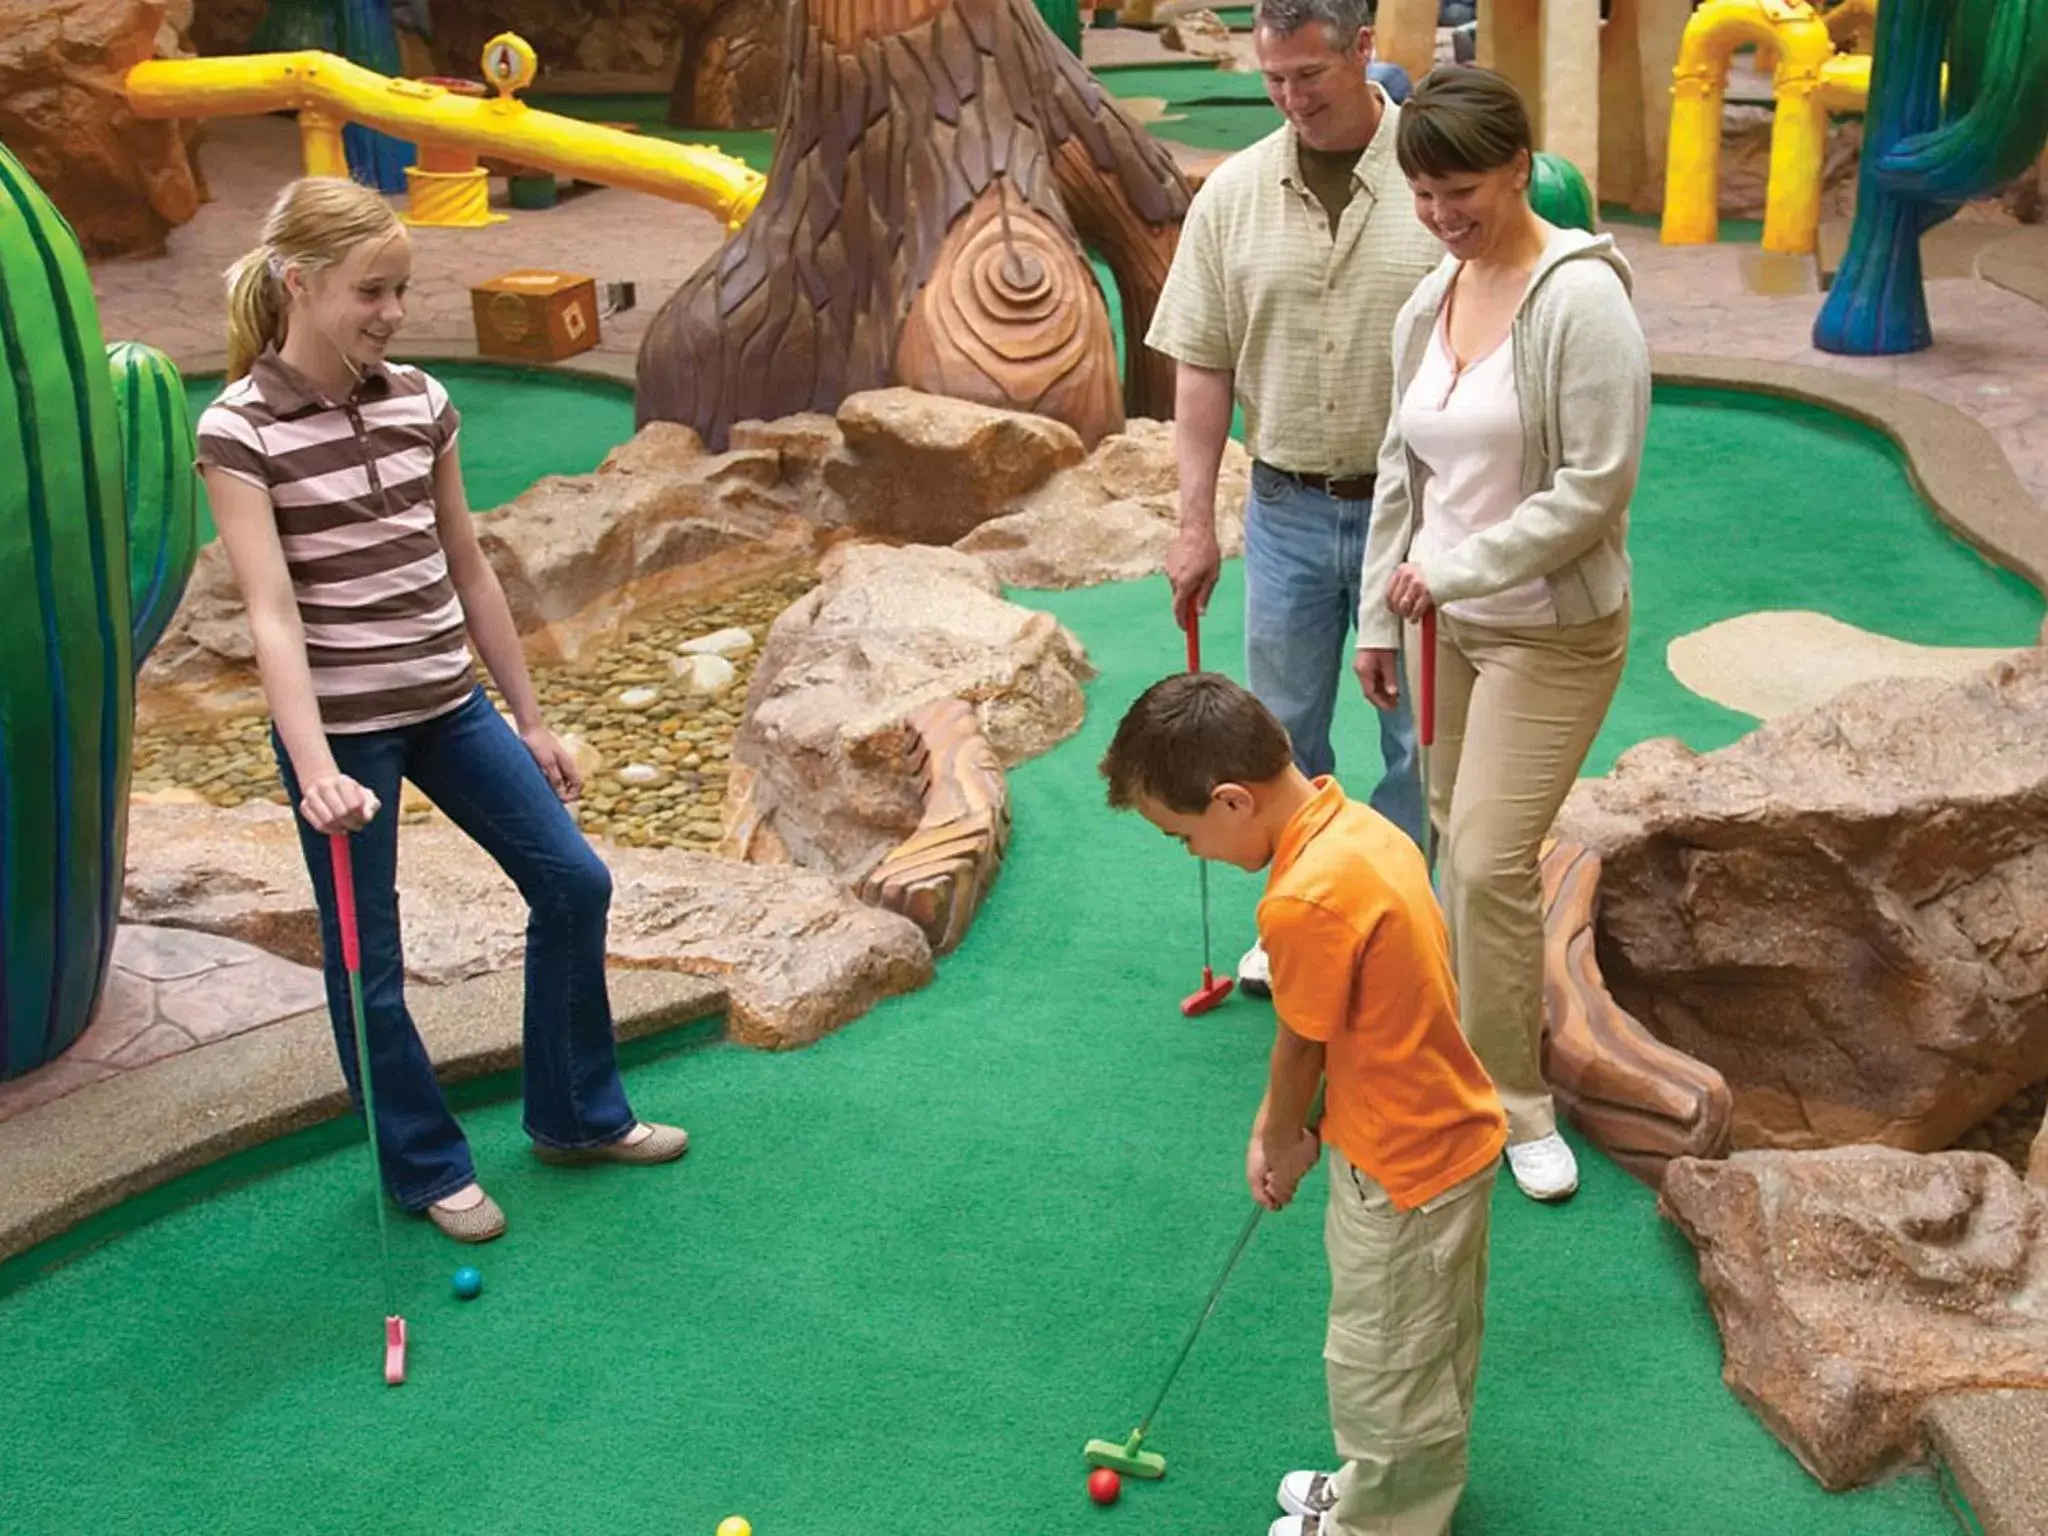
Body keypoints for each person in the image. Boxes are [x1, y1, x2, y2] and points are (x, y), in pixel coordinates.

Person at [194, 178, 688, 1245]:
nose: (391, 311)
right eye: (371, 289)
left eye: (401, 289)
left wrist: (531, 717)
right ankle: (424, 1167)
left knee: (573, 882)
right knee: (367, 957)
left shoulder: (419, 398)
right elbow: (272, 614)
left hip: (450, 706)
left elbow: (468, 566)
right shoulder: (240, 431)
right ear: (298, 280)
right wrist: (313, 761)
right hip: (345, 735)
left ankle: (575, 1116)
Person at [1101, 673, 1506, 1536]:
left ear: (1232, 801)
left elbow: (1300, 1040)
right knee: (1422, 1348)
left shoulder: (1303, 898)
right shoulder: (1358, 830)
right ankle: (1387, 1487)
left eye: (1183, 837)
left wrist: (1276, 1136)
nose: (1191, 853)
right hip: (1437, 1138)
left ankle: (1380, 1522)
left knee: (1384, 1358)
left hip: (1402, 1167)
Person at [1356, 67, 1651, 1203]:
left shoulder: (1580, 301)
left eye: (1460, 190)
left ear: (1519, 167)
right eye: (1422, 194)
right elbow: (1401, 468)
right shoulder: (1425, 299)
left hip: (1550, 632)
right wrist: (1383, 607)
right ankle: (1466, 1052)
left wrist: (1447, 571)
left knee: (1482, 859)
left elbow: (1593, 489)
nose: (1441, 216)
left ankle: (1513, 1102)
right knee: (1449, 839)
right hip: (1447, 629)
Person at [1145, 0, 1445, 1001]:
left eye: (1308, 77)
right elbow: (1201, 365)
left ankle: (1399, 927)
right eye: (1271, 81)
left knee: (1415, 740)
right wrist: (1193, 521)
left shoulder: (1431, 178)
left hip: (1417, 523)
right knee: (1279, 739)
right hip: (1282, 512)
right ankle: (1304, 921)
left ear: (1362, 50)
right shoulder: (1232, 193)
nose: (1289, 99)